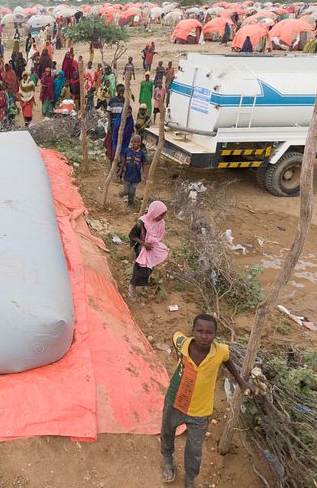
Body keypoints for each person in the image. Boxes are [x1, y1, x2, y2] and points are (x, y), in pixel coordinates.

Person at [161, 314, 255, 487]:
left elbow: (228, 362)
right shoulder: (183, 344)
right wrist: (179, 359)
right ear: (193, 331)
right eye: (200, 331)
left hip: (200, 409)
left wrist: (241, 382)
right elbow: (175, 337)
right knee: (167, 431)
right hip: (175, 400)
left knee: (194, 449)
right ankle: (168, 459)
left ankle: (190, 479)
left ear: (215, 334)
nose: (204, 336)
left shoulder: (221, 351)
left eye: (209, 332)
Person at [127, 200, 169, 299]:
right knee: (140, 268)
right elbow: (132, 235)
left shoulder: (161, 223)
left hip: (151, 248)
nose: (161, 218)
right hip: (141, 248)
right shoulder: (142, 222)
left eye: (163, 215)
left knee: (149, 267)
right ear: (154, 212)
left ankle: (140, 283)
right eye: (160, 215)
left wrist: (152, 242)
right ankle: (132, 287)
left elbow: (159, 236)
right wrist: (144, 244)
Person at [104, 84, 134, 162]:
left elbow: (128, 113)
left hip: (122, 125)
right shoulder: (112, 100)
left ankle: (119, 158)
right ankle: (112, 158)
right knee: (112, 142)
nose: (121, 92)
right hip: (113, 124)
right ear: (116, 91)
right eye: (120, 90)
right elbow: (109, 113)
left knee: (120, 141)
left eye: (122, 91)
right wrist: (109, 125)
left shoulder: (125, 101)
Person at [118, 134, 148, 206]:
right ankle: (121, 193)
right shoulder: (127, 151)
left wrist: (145, 173)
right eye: (134, 142)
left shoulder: (142, 153)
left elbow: (144, 163)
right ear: (131, 142)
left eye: (138, 142)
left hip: (136, 177)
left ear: (140, 143)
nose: (136, 144)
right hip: (127, 175)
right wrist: (120, 171)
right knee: (126, 191)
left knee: (132, 192)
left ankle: (130, 204)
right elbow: (124, 161)